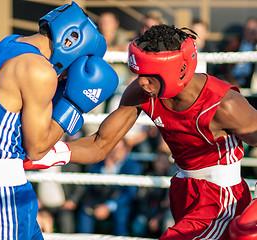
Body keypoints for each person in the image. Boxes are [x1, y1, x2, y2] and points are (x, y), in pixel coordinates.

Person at [57, 24, 257, 239]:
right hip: (183, 189)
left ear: (179, 69)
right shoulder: (143, 92)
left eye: (150, 74)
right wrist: (49, 153)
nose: (142, 81)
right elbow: (99, 144)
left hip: (220, 198)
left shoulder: (223, 104)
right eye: (140, 72)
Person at [0, 1, 118, 240]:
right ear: (70, 41)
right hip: (1, 194)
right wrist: (73, 105)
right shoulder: (39, 70)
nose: (69, 74)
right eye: (75, 66)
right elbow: (36, 148)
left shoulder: (9, 43)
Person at [76, 138, 142, 236]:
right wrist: (105, 170)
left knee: (121, 215)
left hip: (119, 203)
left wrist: (108, 206)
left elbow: (130, 194)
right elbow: (90, 184)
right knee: (85, 212)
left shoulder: (133, 166)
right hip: (98, 200)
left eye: (117, 149)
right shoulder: (99, 163)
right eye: (112, 149)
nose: (114, 153)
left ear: (126, 149)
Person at [231, 17, 257, 88]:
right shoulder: (235, 43)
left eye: (253, 31)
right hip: (233, 78)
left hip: (250, 81)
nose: (250, 33)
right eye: (248, 30)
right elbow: (225, 65)